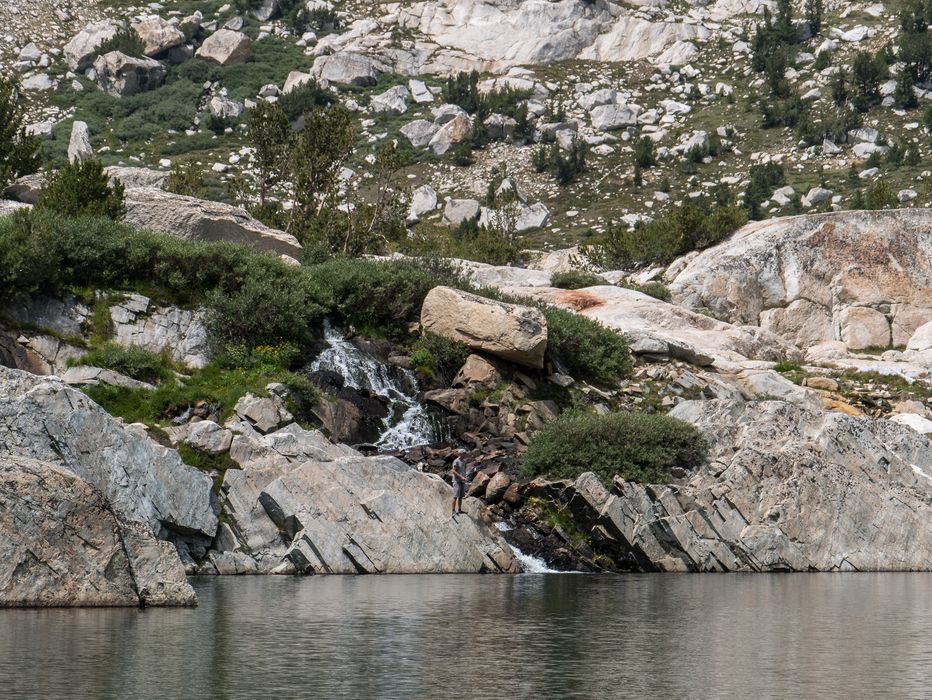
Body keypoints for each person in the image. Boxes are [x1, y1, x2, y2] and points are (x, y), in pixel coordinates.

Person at [450, 451, 469, 517]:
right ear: (460, 454)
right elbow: (453, 470)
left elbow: (464, 470)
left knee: (460, 496)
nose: (465, 454)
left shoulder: (464, 461)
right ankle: (453, 511)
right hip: (456, 481)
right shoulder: (456, 461)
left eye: (465, 453)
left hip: (462, 481)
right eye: (463, 453)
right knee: (455, 496)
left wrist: (465, 477)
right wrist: (461, 477)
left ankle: (459, 510)